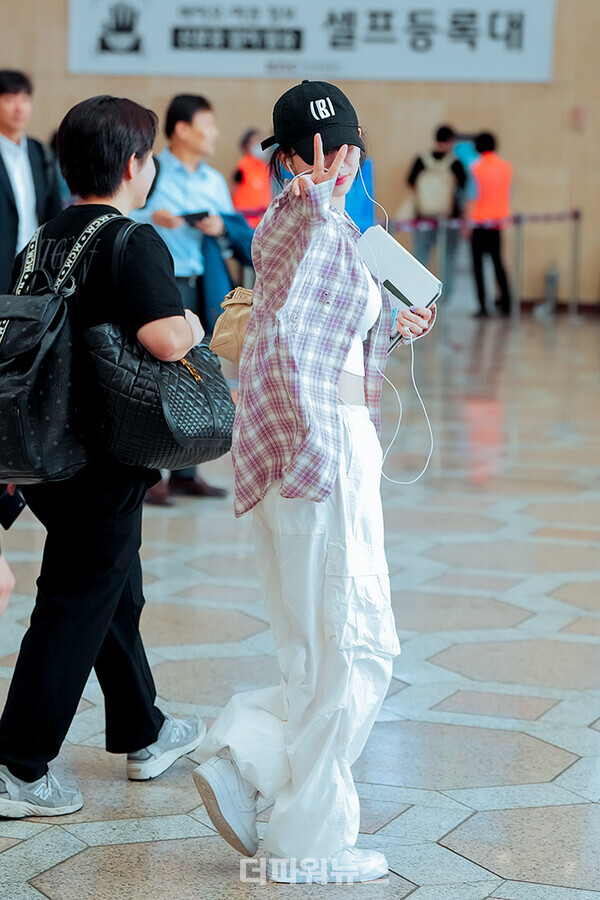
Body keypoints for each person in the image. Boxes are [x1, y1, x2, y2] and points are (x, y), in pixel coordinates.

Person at [192, 80, 435, 884]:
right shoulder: (316, 220)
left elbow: (314, 332)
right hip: (320, 458)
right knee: (357, 647)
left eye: (347, 146)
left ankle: (252, 762)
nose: (341, 161)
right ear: (292, 156)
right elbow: (296, 348)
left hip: (306, 458)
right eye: (324, 150)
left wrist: (387, 322)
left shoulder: (301, 227)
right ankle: (302, 834)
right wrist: (313, 451)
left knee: (318, 652)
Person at [0, 95, 206, 818]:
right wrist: (194, 319)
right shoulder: (129, 240)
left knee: (116, 588)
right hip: (104, 456)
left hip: (44, 456)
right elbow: (167, 341)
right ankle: (20, 766)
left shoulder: (40, 243)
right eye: (148, 158)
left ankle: (144, 733)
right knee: (75, 602)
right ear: (132, 165)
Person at [132, 94, 252, 505]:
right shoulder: (153, 170)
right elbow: (123, 214)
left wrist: (220, 227)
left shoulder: (214, 181)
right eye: (208, 125)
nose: (215, 133)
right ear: (182, 129)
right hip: (158, 285)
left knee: (198, 374)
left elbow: (237, 234)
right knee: (151, 377)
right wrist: (153, 217)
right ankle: (151, 475)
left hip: (201, 285)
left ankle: (186, 470)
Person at [0, 69, 62, 293]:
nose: (19, 107)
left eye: (25, 99)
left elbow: (52, 214)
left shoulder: (40, 153)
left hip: (33, 270)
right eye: (9, 99)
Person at [406, 124, 466, 299]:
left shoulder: (421, 160)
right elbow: (463, 188)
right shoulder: (455, 163)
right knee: (447, 259)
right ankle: (444, 299)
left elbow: (410, 182)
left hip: (423, 217)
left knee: (420, 258)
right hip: (448, 220)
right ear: (450, 141)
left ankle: (418, 297)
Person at [464, 131, 513, 317]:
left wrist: (466, 226)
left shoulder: (476, 168)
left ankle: (483, 307)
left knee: (478, 267)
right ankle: (507, 304)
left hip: (479, 224)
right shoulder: (505, 168)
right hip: (498, 223)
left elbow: (471, 197)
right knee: (498, 264)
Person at [231, 128, 272, 228]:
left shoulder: (265, 167)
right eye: (254, 142)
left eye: (260, 141)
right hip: (245, 222)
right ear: (245, 146)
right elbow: (233, 188)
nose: (259, 145)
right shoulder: (242, 167)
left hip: (262, 222)